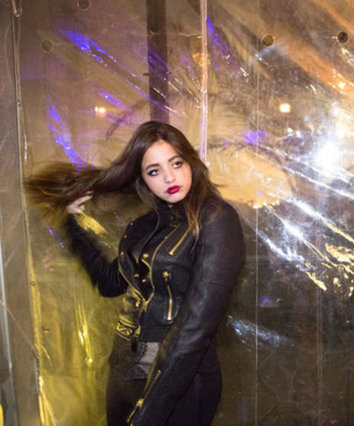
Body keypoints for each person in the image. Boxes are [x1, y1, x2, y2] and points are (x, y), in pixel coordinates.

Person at [26, 121, 245, 425]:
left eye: (176, 163)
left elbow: (194, 332)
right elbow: (110, 283)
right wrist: (72, 223)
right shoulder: (146, 224)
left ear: (191, 162)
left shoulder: (217, 219)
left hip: (180, 379)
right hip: (130, 365)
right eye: (154, 171)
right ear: (142, 178)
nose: (169, 177)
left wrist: (149, 411)